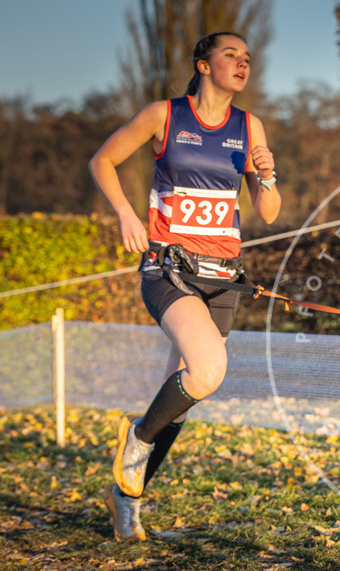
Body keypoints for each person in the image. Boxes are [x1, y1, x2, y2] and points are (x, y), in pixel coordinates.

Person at [89, 31, 281, 542]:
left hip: (224, 278)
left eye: (246, 57)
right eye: (230, 55)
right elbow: (102, 161)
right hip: (169, 269)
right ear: (203, 64)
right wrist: (127, 215)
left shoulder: (250, 127)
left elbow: (267, 211)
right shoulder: (165, 115)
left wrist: (267, 175)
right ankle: (136, 439)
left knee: (183, 391)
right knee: (209, 369)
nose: (242, 63)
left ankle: (126, 498)